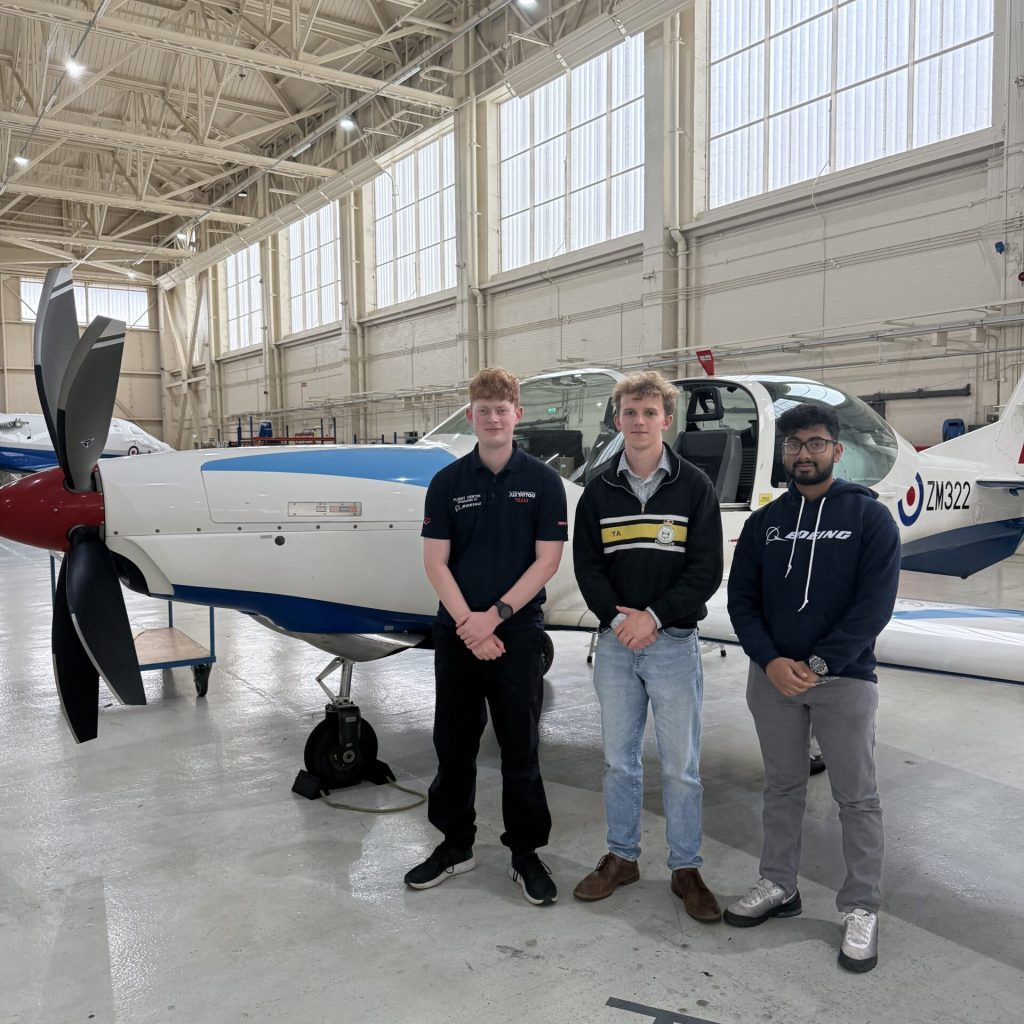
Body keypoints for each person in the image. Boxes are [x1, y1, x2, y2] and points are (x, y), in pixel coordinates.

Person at [725, 402, 900, 973]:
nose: (804, 453)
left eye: (815, 443)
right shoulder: (765, 523)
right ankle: (778, 884)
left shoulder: (870, 519)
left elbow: (874, 607)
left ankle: (861, 907)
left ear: (837, 450)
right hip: (772, 679)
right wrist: (771, 660)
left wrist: (820, 663)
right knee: (781, 787)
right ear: (784, 453)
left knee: (857, 797)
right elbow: (742, 601)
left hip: (844, 679)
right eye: (794, 444)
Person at [405, 367, 568, 906]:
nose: (493, 417)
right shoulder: (448, 483)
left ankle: (525, 853)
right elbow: (435, 563)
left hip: (516, 635)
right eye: (483, 409)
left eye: (503, 409)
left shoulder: (543, 483)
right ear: (470, 416)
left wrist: (493, 618)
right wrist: (469, 627)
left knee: (521, 747)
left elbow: (548, 562)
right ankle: (455, 845)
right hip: (457, 635)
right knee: (453, 745)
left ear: (517, 415)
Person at [571, 371, 724, 922]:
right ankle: (622, 857)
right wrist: (619, 621)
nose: (639, 422)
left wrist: (654, 618)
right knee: (618, 761)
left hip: (673, 642)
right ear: (618, 420)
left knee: (682, 765)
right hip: (615, 645)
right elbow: (587, 566)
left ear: (666, 419)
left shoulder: (694, 487)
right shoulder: (599, 491)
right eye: (630, 412)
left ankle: (686, 867)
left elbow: (706, 569)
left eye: (650, 412)